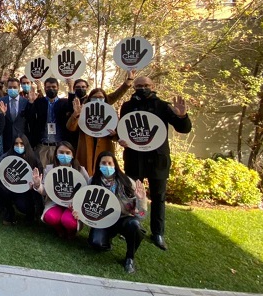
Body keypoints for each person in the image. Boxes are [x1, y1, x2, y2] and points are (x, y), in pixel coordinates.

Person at [118, 76, 191, 251]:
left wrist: (182, 116)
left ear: (153, 86)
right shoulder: (127, 106)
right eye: (138, 86)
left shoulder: (163, 106)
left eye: (146, 85)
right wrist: (122, 140)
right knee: (131, 193)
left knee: (159, 196)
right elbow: (124, 129)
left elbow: (183, 128)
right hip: (135, 157)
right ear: (134, 88)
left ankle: (158, 232)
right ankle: (130, 224)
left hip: (157, 158)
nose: (142, 88)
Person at [76, 151, 148, 274]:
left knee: (135, 226)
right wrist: (79, 214)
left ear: (115, 164)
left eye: (110, 163)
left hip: (123, 219)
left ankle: (129, 258)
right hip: (103, 220)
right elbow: (84, 202)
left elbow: (141, 215)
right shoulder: (93, 181)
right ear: (98, 165)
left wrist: (140, 199)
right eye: (103, 163)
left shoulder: (127, 182)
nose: (107, 166)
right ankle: (107, 242)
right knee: (96, 243)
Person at [31, 141, 89, 238]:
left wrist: (77, 205)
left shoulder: (80, 170)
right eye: (61, 152)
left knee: (69, 221)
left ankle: (71, 233)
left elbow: (87, 190)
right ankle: (59, 230)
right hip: (55, 203)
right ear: (56, 154)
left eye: (67, 153)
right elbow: (45, 191)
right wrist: (38, 185)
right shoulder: (49, 169)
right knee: (50, 217)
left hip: (72, 206)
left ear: (73, 155)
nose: (64, 155)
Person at [0, 135, 42, 225]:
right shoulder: (9, 154)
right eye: (16, 143)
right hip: (11, 188)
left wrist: (34, 186)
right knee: (1, 188)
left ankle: (31, 213)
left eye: (21, 143)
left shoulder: (33, 159)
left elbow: (40, 182)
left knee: (23, 206)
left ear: (26, 144)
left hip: (27, 192)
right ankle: (9, 212)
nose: (19, 146)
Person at [26, 78, 74, 168]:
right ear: (44, 88)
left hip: (59, 146)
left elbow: (71, 108)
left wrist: (70, 87)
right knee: (42, 174)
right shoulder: (39, 102)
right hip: (42, 146)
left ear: (58, 88)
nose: (51, 89)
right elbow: (29, 118)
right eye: (48, 87)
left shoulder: (63, 103)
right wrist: (31, 102)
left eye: (53, 87)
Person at [0, 77, 29, 152]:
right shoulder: (0, 101)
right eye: (10, 87)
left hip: (21, 140)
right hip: (5, 138)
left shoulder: (26, 102)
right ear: (7, 88)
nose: (12, 89)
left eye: (15, 87)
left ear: (19, 88)